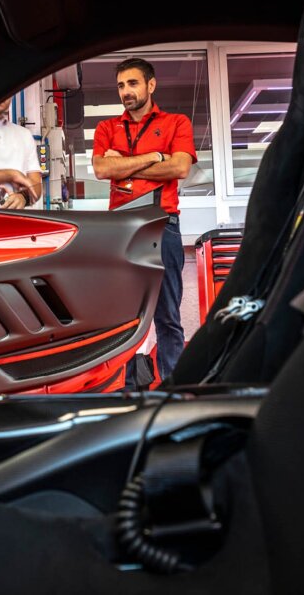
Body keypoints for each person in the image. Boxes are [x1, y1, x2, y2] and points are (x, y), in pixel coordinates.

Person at [92, 57, 195, 382]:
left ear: (151, 85)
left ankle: (173, 389)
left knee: (167, 316)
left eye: (133, 83)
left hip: (163, 225)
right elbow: (102, 170)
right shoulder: (107, 128)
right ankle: (125, 388)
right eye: (121, 85)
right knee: (123, 318)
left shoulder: (177, 122)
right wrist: (153, 157)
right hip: (120, 230)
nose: (126, 91)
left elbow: (179, 168)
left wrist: (124, 162)